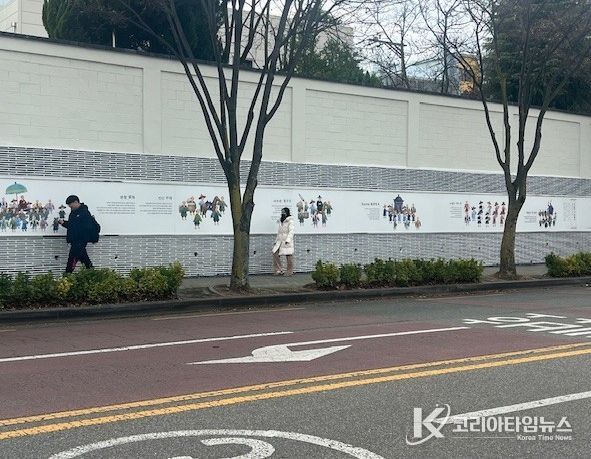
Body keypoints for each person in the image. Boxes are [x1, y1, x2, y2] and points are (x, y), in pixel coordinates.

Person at [59, 195, 95, 273]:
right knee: (84, 259)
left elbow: (85, 227)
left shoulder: (84, 212)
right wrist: (63, 223)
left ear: (76, 202)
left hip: (80, 240)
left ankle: (67, 276)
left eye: (70, 205)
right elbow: (72, 225)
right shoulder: (73, 213)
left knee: (72, 259)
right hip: (74, 240)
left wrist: (67, 224)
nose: (70, 207)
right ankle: (93, 273)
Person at [272, 207, 295, 276]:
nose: (283, 213)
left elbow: (291, 231)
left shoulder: (290, 221)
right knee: (275, 253)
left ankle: (289, 271)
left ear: (287, 212)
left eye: (284, 212)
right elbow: (279, 232)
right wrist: (276, 240)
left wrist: (288, 240)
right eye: (282, 212)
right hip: (280, 241)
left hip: (286, 241)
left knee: (289, 256)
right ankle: (278, 270)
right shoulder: (281, 221)